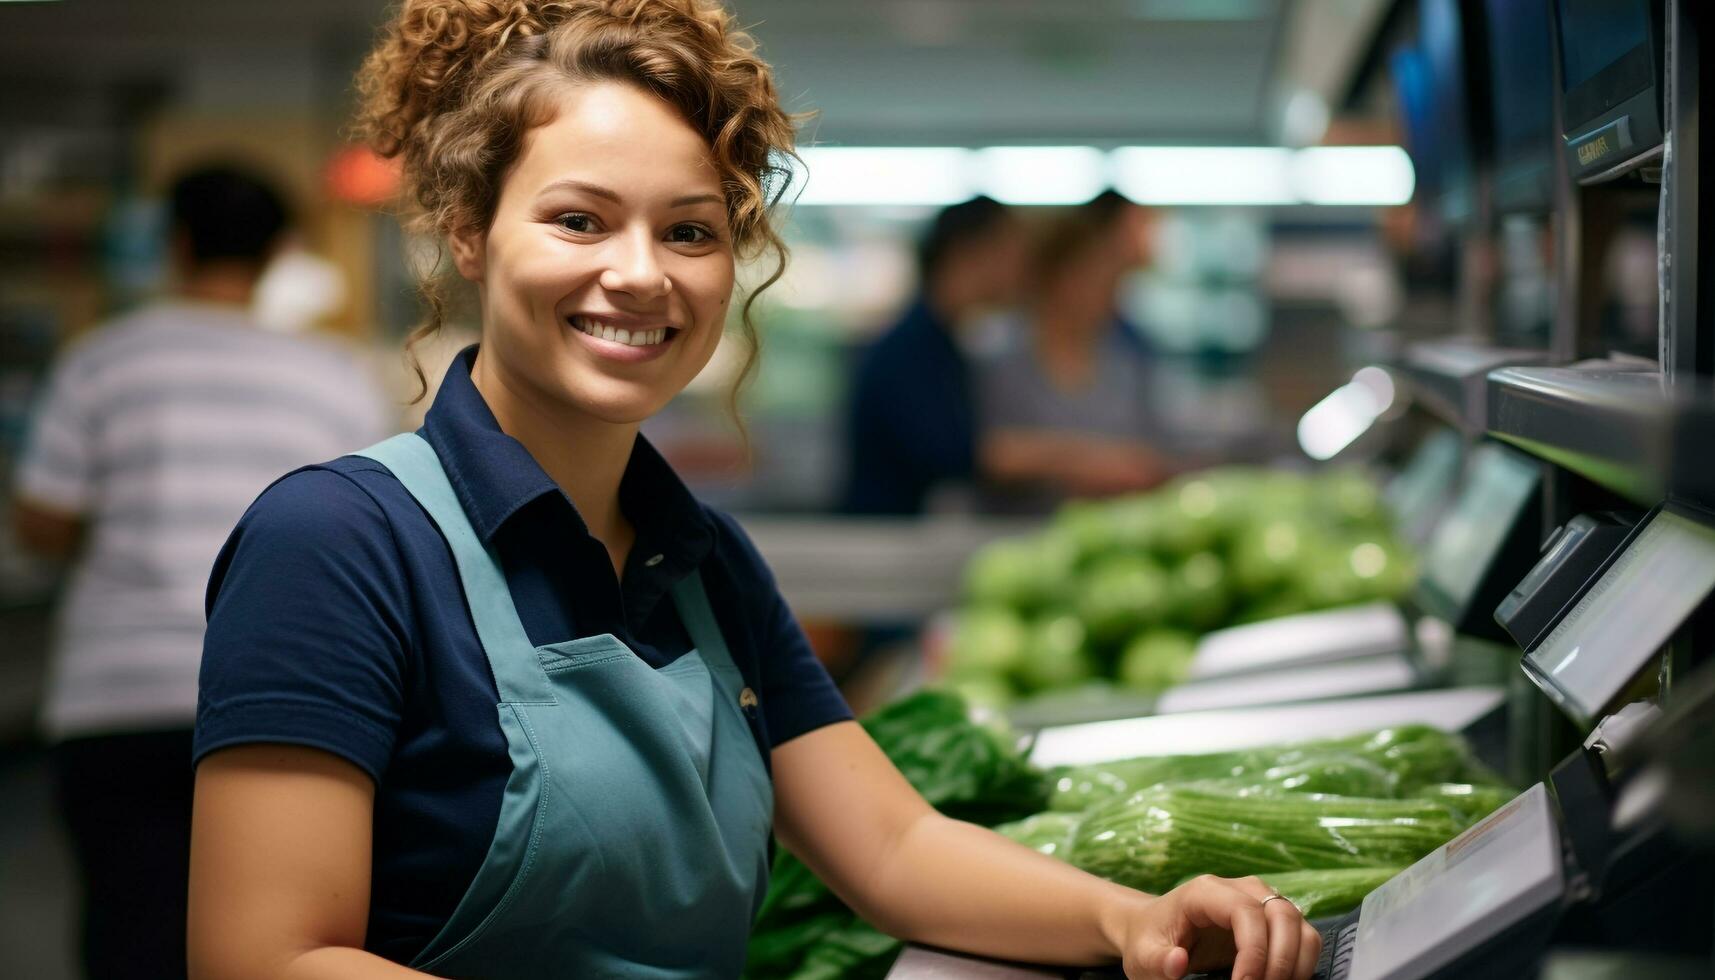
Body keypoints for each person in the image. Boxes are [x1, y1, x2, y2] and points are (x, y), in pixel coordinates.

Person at [187, 3, 1320, 979]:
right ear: (470, 234)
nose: (638, 272)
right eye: (577, 219)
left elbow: (891, 850)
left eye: (689, 230)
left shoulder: (701, 562)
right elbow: (265, 956)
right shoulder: (339, 541)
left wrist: (1131, 917)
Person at [11, 164, 392, 979]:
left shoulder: (101, 360)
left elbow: (41, 523)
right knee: (277, 939)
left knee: (129, 926)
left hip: (117, 691)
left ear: (174, 243)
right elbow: (374, 533)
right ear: (280, 253)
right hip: (287, 693)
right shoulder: (335, 372)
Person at [977, 196, 1170, 513]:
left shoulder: (1127, 360)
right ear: (1054, 277)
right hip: (1017, 528)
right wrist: (1082, 461)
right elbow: (988, 452)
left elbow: (1150, 452)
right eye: (1089, 276)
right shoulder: (998, 353)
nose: (1103, 290)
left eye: (1110, 278)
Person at [840, 196, 1027, 515]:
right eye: (1011, 253)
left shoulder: (943, 341)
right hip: (885, 542)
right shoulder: (909, 352)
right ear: (970, 252)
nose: (1020, 269)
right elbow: (956, 454)